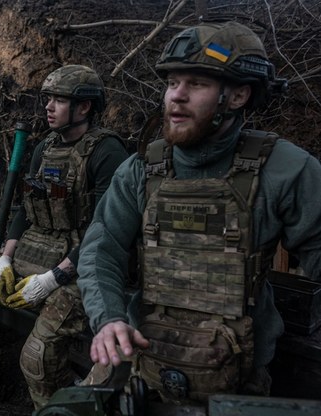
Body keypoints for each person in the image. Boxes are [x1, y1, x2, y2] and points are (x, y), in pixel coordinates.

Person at [77, 20, 321, 405]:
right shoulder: (142, 168)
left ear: (238, 95)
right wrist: (108, 319)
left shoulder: (287, 170)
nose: (176, 96)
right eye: (173, 82)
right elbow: (101, 247)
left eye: (197, 84)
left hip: (238, 384)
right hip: (142, 362)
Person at [0, 64, 129, 409]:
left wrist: (54, 277)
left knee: (38, 354)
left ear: (84, 107)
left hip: (82, 264)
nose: (47, 107)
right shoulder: (43, 149)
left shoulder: (107, 153)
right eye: (48, 99)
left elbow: (106, 227)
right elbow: (25, 208)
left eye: (59, 100)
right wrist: (4, 257)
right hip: (34, 248)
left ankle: (54, 406)